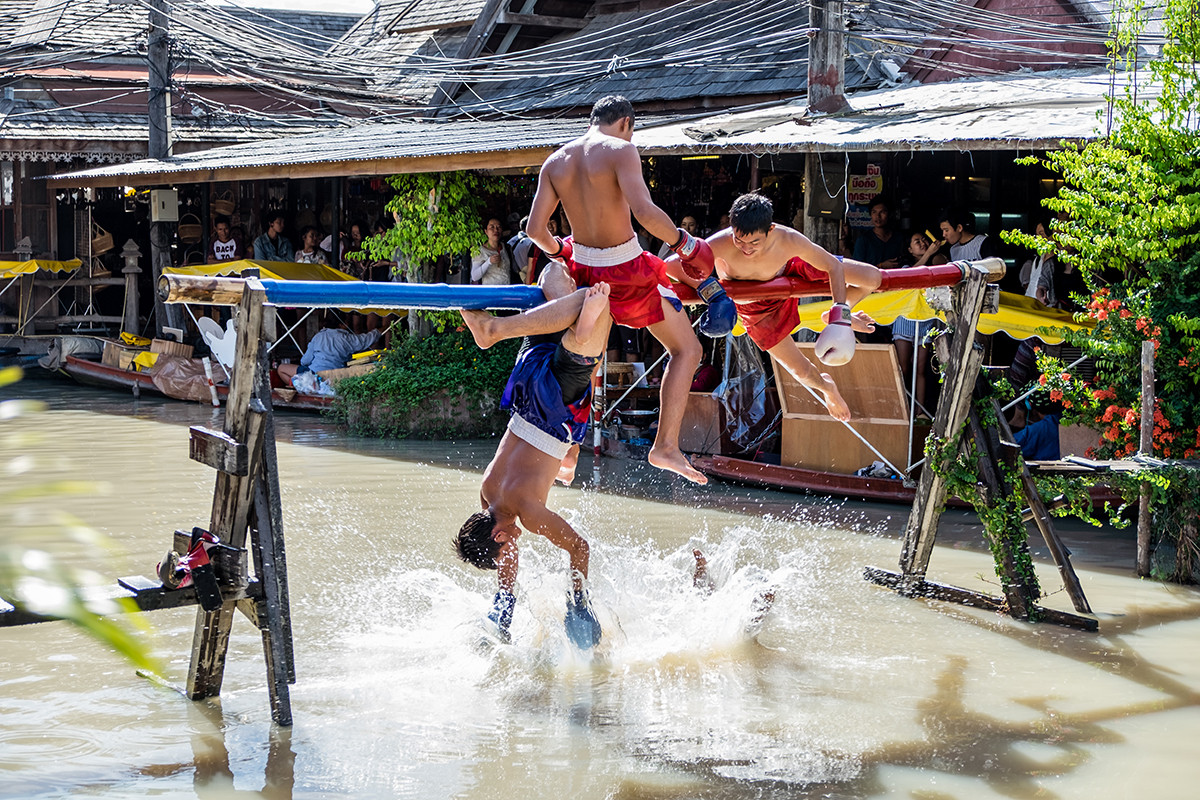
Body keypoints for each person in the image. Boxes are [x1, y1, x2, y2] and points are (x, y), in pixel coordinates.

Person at [463, 95, 736, 485]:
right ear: (626, 122)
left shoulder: (555, 161)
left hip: (585, 270)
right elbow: (643, 211)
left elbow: (537, 232)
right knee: (687, 349)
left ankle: (569, 449)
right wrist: (683, 243)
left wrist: (565, 250)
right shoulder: (621, 150)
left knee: (586, 358)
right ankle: (665, 446)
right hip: (627, 269)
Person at [454, 265, 612, 648]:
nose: (512, 549)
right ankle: (548, 321)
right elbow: (505, 552)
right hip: (525, 387)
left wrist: (578, 600)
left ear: (498, 533)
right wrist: (504, 598)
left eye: (507, 544)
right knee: (552, 275)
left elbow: (580, 547)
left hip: (556, 400)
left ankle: (585, 327)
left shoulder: (530, 512)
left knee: (600, 308)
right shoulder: (487, 493)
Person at [666, 193, 881, 422]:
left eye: (754, 242)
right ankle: (828, 388)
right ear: (732, 228)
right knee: (801, 371)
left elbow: (832, 266)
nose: (746, 249)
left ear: (770, 229)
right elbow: (671, 265)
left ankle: (839, 315)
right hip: (756, 310)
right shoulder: (719, 243)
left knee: (872, 277)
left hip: (789, 271)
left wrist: (841, 315)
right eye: (740, 240)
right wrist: (712, 292)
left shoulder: (787, 239)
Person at [893, 231, 948, 416]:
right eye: (917, 241)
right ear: (910, 249)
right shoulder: (905, 266)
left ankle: (920, 410)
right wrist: (927, 254)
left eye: (924, 240)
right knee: (903, 367)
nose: (923, 243)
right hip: (905, 319)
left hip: (926, 320)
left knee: (920, 367)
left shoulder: (938, 261)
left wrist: (933, 255)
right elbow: (910, 276)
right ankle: (899, 406)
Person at [276, 313, 380, 390]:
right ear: (341, 324)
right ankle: (304, 387)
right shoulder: (347, 338)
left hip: (314, 374)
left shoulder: (318, 337)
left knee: (281, 368)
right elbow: (365, 340)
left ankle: (300, 388)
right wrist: (380, 330)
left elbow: (305, 361)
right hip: (336, 376)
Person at [852, 196, 905, 270]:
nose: (878, 216)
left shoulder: (898, 238)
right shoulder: (863, 240)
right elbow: (857, 269)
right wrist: (881, 265)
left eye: (882, 212)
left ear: (890, 214)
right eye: (874, 212)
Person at [1019, 219, 1056, 306]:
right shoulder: (1038, 259)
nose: (1039, 238)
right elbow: (1032, 285)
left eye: (1042, 233)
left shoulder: (1057, 259)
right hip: (1033, 304)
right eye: (1037, 235)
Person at [471, 218, 512, 285]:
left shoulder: (506, 248)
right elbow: (474, 277)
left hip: (506, 293)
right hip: (490, 293)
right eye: (492, 227)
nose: (496, 230)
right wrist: (488, 262)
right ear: (486, 231)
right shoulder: (479, 251)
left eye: (498, 227)